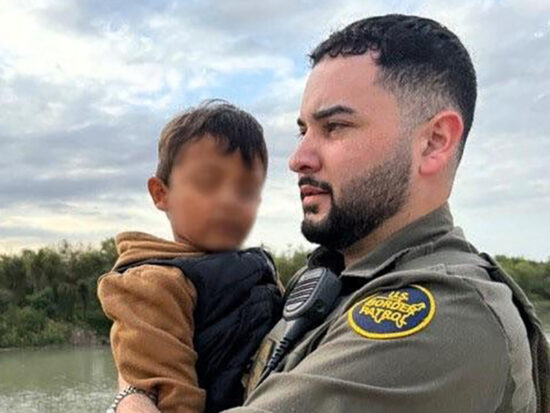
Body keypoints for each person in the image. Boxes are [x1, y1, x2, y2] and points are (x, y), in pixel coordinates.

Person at [114, 14, 550, 413]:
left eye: (335, 127)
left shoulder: (446, 320)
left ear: (434, 142)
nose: (298, 158)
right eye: (303, 130)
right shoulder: (329, 280)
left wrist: (132, 393)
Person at [97, 100, 283, 413]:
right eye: (208, 183)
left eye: (246, 189)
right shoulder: (153, 283)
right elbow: (172, 398)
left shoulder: (257, 268)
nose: (229, 201)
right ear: (161, 194)